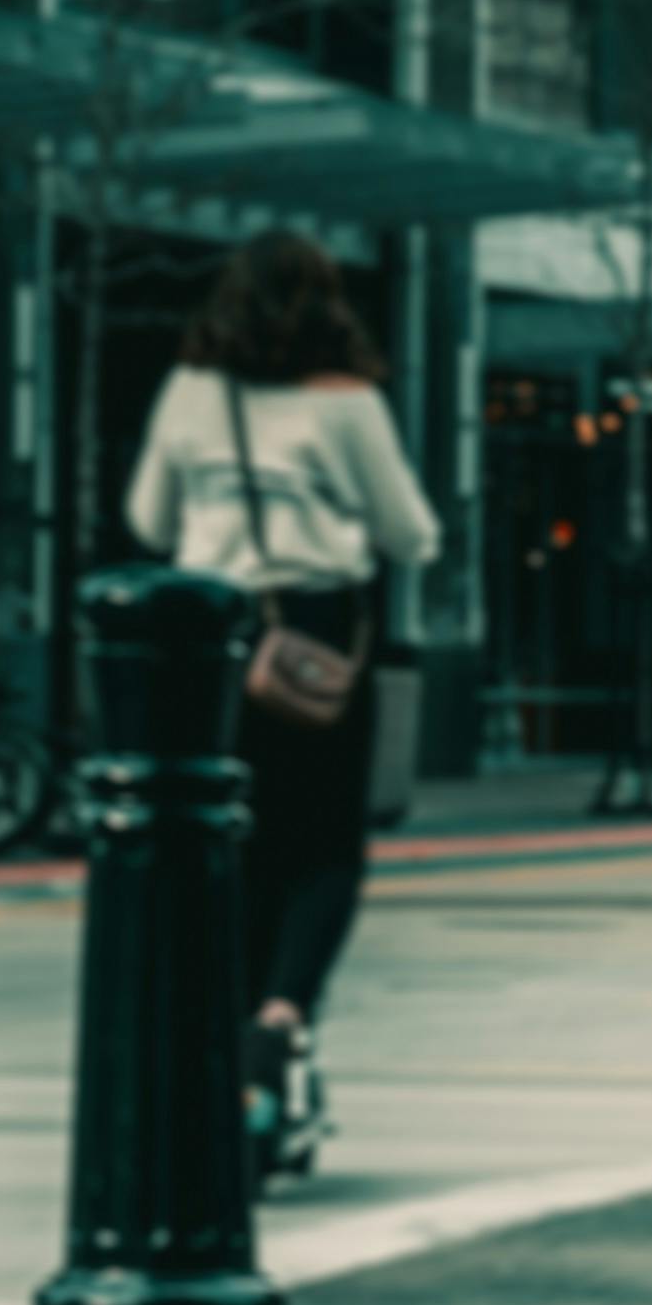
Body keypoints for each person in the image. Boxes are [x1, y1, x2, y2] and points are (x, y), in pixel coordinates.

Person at [124, 230, 444, 1177]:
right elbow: (411, 533)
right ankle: (279, 1026)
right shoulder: (348, 405)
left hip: (207, 639)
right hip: (312, 640)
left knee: (228, 846)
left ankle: (235, 1059)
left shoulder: (191, 391)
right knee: (324, 845)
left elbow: (148, 519)